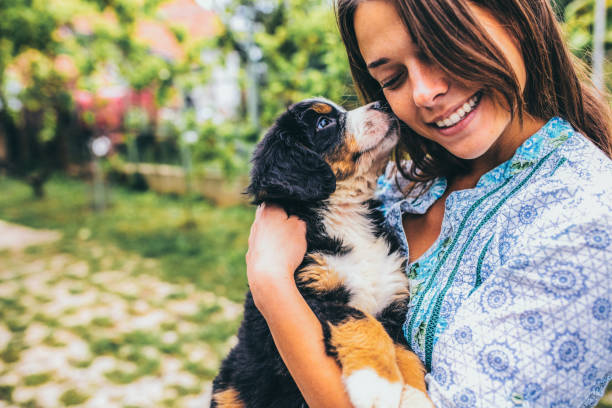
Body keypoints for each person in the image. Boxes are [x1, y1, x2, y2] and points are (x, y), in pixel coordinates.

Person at [245, 0, 612, 406]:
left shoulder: (588, 221)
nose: (424, 93)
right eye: (393, 77)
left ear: (516, 17)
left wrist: (272, 287)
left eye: (441, 47)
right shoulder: (407, 178)